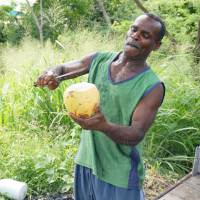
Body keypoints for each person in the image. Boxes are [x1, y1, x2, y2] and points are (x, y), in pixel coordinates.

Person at [35, 13, 166, 200]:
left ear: (156, 45)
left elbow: (136, 134)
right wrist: (51, 73)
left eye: (145, 35)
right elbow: (62, 69)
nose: (135, 36)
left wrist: (103, 126)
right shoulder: (99, 60)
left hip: (119, 174)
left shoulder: (152, 86)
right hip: (86, 162)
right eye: (134, 29)